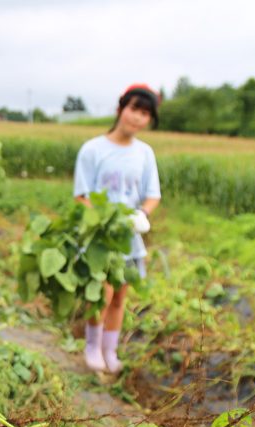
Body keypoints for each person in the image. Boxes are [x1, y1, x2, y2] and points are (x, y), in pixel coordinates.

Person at [74, 83, 161, 374]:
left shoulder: (145, 153)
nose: (138, 118)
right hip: (100, 238)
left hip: (129, 238)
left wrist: (141, 214)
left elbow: (152, 194)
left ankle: (110, 351)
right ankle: (92, 347)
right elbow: (81, 195)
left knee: (121, 296)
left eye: (145, 113)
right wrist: (104, 219)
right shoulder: (93, 150)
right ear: (120, 109)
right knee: (102, 293)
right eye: (134, 109)